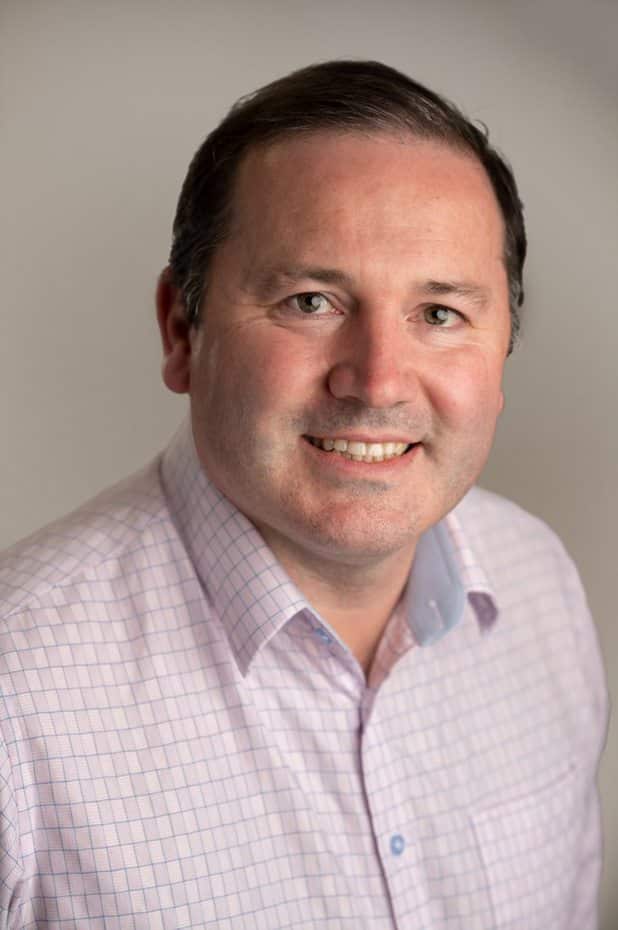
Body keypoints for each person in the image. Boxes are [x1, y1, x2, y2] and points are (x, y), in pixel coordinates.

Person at [0, 60, 608, 929]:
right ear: (182, 331)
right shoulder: (16, 692)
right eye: (311, 300)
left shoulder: (542, 589)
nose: (377, 383)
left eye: (439, 314)